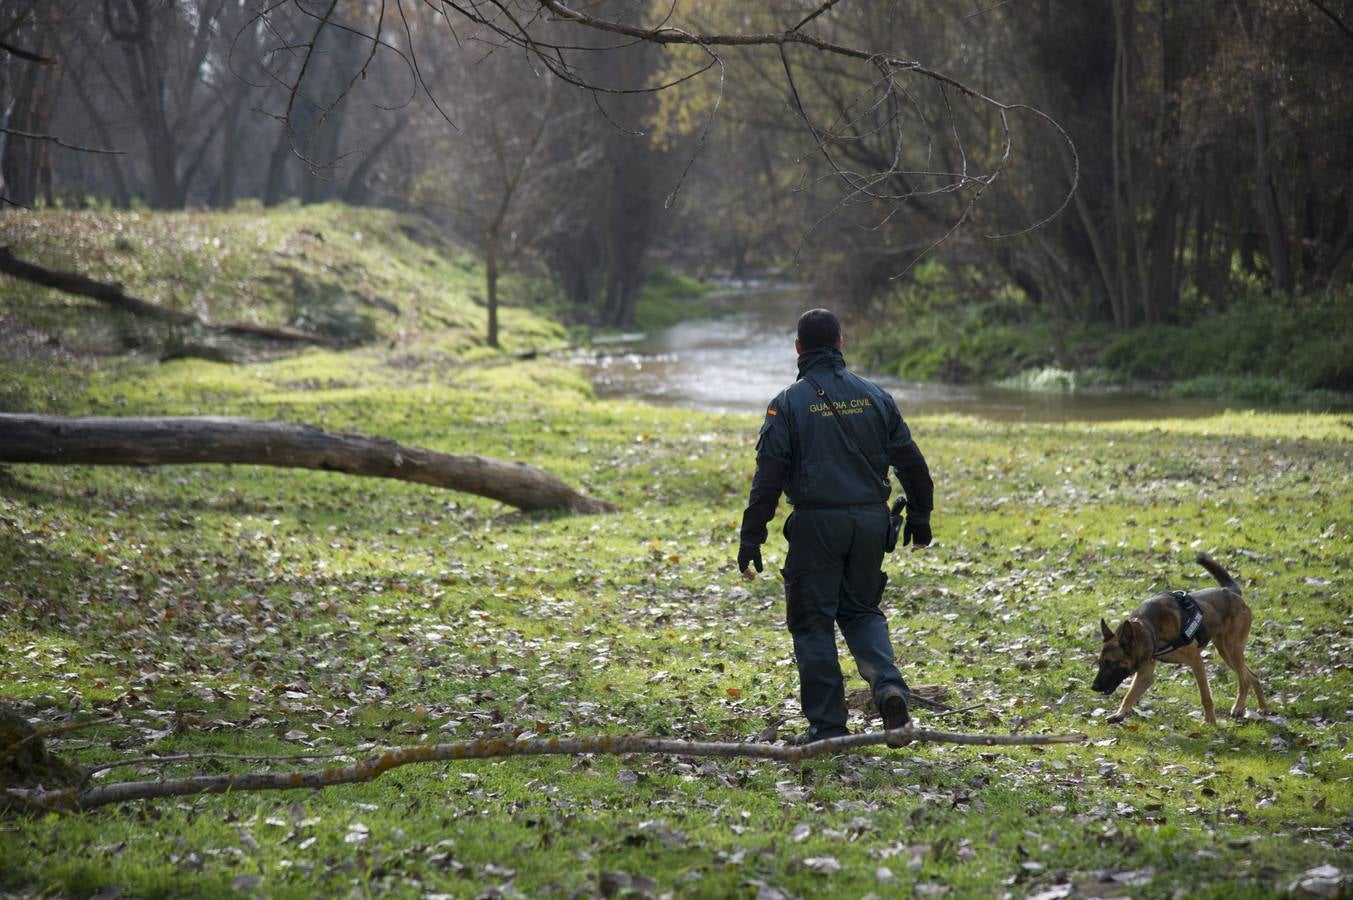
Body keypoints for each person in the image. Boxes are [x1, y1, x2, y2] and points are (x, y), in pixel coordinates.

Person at [737, 308, 933, 745]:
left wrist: (753, 535)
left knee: (812, 624)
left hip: (815, 527)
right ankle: (889, 689)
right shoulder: (877, 396)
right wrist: (920, 517)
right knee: (862, 611)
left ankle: (827, 728)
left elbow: (768, 478)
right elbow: (912, 464)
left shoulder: (786, 404)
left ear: (798, 349)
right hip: (869, 523)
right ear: (841, 344)